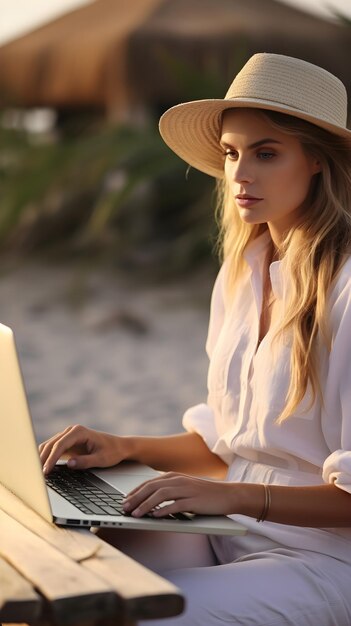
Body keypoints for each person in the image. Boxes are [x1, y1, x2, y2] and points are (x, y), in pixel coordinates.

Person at [39, 53, 351, 625]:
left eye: (265, 153)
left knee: (131, 613)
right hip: (229, 529)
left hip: (326, 559)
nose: (239, 174)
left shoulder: (347, 289)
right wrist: (124, 446)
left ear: (316, 161)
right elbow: (228, 445)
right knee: (75, 570)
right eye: (232, 153)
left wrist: (233, 497)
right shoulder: (245, 268)